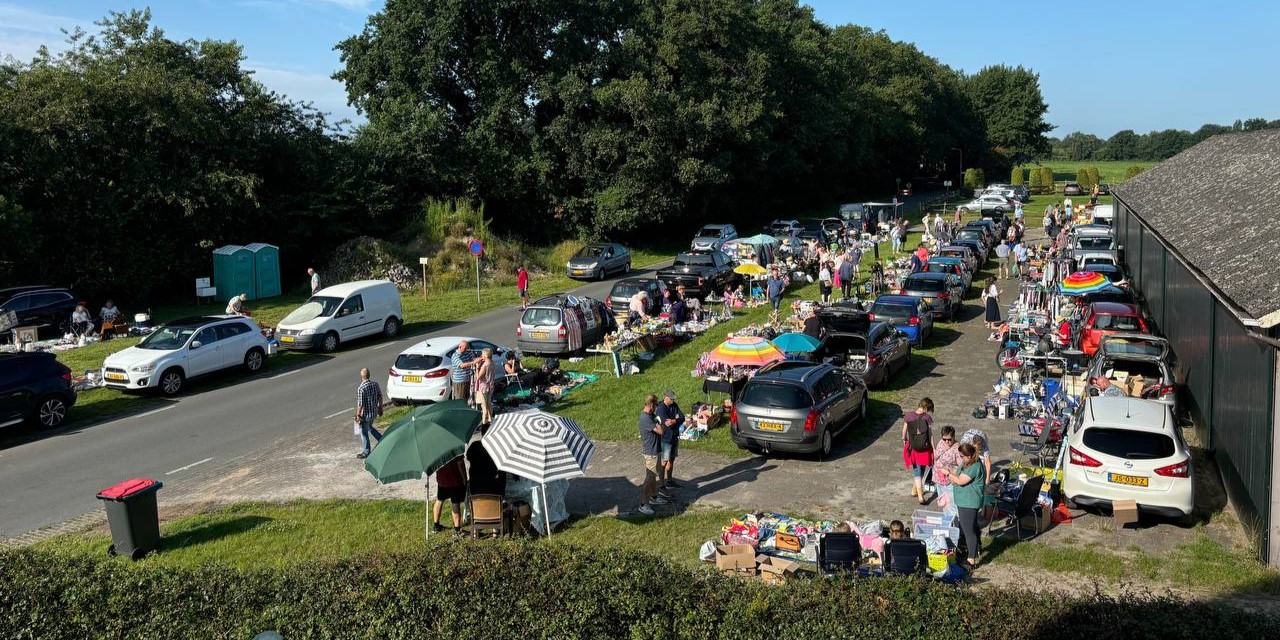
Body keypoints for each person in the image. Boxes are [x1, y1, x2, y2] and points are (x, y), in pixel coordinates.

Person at [947, 443, 986, 571]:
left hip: (969, 503)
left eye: (963, 456)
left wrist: (948, 474)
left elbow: (960, 481)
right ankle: (976, 549)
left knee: (968, 531)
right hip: (964, 501)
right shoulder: (968, 463)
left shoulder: (974, 466)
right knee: (972, 527)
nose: (961, 458)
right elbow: (958, 476)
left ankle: (971, 559)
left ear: (970, 456)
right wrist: (953, 472)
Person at [637, 394, 670, 515]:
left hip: (655, 450)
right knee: (649, 478)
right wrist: (660, 422)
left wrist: (658, 421)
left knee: (653, 477)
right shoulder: (646, 418)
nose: (656, 407)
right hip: (650, 452)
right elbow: (661, 431)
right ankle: (643, 503)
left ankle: (654, 497)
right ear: (650, 404)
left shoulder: (651, 415)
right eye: (655, 405)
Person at [901, 397, 935, 505]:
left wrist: (904, 440)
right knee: (922, 470)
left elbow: (904, 431)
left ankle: (914, 490)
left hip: (914, 447)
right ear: (926, 408)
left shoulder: (908, 416)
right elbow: (930, 434)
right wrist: (933, 447)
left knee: (917, 471)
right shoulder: (927, 418)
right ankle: (920, 497)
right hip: (925, 448)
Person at [655, 390, 685, 491]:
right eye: (672, 398)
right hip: (665, 439)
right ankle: (661, 484)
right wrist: (674, 420)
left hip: (674, 437)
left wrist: (674, 420)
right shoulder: (660, 409)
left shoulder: (674, 405)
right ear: (666, 398)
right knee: (664, 462)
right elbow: (666, 424)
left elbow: (682, 417)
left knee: (671, 459)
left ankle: (669, 480)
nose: (673, 400)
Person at [431, 456, 467, 534]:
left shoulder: (437, 450)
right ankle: (457, 529)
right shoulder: (455, 448)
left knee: (439, 500)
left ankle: (436, 525)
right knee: (455, 504)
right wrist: (464, 478)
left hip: (442, 480)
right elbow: (460, 464)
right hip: (455, 481)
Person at [354, 367, 384, 459]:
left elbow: (360, 404)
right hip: (374, 412)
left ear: (361, 376)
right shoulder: (375, 384)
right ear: (369, 375)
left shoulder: (361, 388)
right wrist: (380, 408)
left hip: (365, 415)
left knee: (363, 432)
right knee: (370, 427)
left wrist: (358, 415)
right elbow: (380, 396)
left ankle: (366, 452)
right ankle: (382, 440)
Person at [932, 426, 960, 517]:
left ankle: (955, 523)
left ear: (954, 437)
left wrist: (950, 470)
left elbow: (960, 465)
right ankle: (947, 520)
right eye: (944, 439)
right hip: (939, 479)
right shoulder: (941, 443)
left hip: (949, 481)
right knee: (943, 502)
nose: (947, 442)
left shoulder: (957, 448)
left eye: (949, 439)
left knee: (952, 504)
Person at [472, 348, 495, 425]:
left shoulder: (485, 365)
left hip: (483, 387)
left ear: (485, 355)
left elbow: (478, 377)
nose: (482, 356)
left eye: (482, 354)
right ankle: (490, 419)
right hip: (490, 386)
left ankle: (484, 422)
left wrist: (477, 367)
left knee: (484, 406)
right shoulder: (492, 363)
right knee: (489, 404)